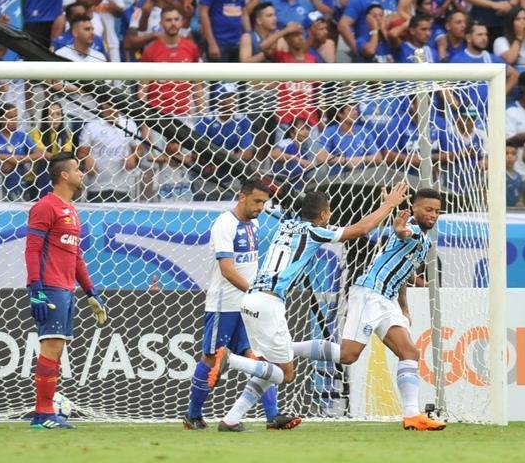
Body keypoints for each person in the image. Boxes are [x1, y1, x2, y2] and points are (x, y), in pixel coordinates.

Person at [209, 183, 410, 431]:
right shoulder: (315, 232)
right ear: (324, 215)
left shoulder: (286, 225)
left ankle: (231, 419)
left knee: (269, 367)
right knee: (285, 374)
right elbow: (362, 229)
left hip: (250, 299)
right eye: (329, 214)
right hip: (268, 303)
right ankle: (232, 361)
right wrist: (389, 205)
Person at [294, 187, 448, 430]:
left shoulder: (426, 242)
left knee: (409, 353)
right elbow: (402, 233)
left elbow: (403, 274)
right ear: (414, 209)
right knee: (348, 355)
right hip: (368, 294)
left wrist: (404, 307)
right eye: (428, 209)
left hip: (386, 300)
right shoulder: (411, 230)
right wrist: (400, 228)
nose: (433, 215)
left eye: (437, 211)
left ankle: (412, 415)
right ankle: (284, 349)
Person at [183, 179, 298, 430]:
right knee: (211, 359)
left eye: (264, 203)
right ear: (242, 197)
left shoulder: (254, 224)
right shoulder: (225, 224)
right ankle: (192, 416)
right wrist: (256, 292)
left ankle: (272, 416)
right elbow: (227, 270)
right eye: (257, 201)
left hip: (248, 305)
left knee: (259, 357)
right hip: (224, 304)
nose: (260, 207)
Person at [24, 152, 107, 429]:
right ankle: (43, 414)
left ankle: (45, 411)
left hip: (66, 288)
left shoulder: (71, 210)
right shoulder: (45, 207)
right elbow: (33, 250)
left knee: (56, 350)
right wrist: (35, 287)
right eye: (77, 169)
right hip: (49, 287)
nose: (81, 173)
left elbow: (76, 256)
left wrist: (90, 291)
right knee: (51, 347)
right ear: (64, 175)